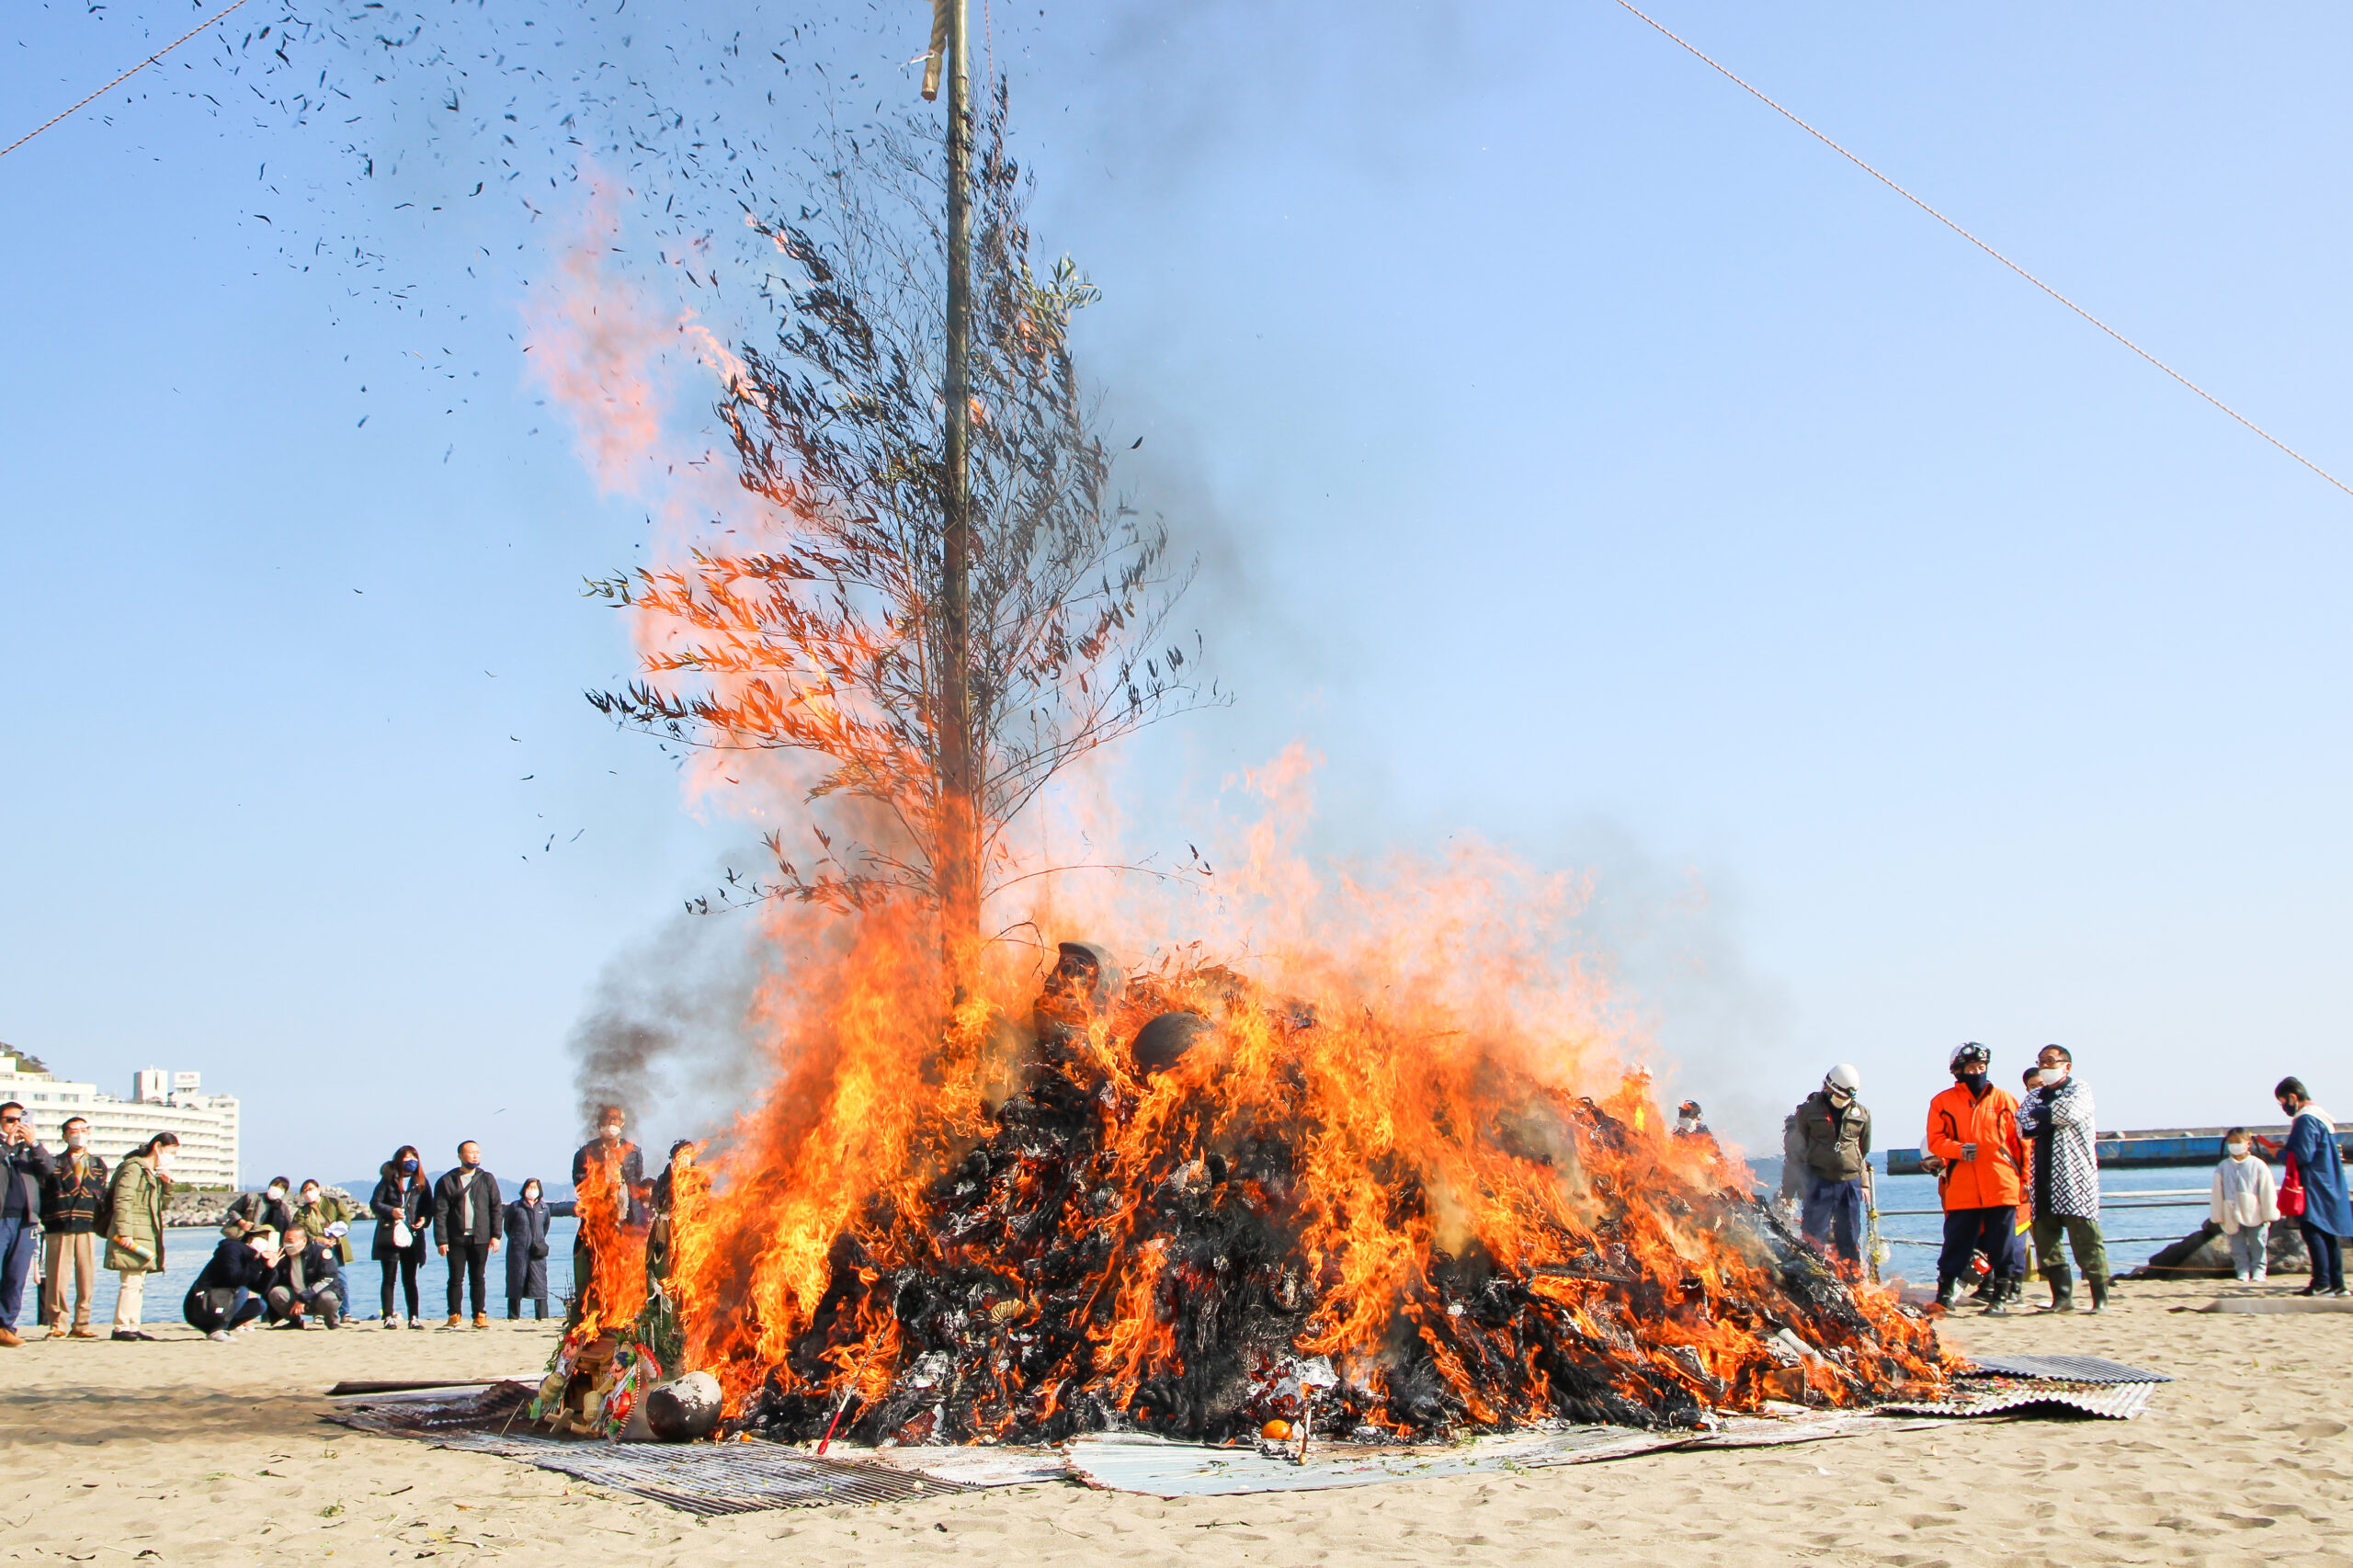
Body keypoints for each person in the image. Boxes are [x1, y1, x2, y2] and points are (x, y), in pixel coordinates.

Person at [1925, 1042, 2026, 1313]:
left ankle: (2000, 1297)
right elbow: (1935, 1140)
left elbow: (2021, 1144)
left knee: (2002, 1244)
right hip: (1963, 1186)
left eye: (1981, 1067)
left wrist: (2025, 1180)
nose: (1977, 1072)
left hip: (2002, 1184)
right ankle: (1945, 1294)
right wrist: (1958, 1150)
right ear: (1957, 1070)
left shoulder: (2005, 1100)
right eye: (1971, 1068)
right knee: (1956, 1242)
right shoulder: (1942, 1102)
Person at [2016, 1044, 2109, 1312]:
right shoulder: (2036, 1095)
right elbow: (2023, 1123)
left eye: (2051, 1061)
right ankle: (2062, 1296)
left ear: (2066, 1065)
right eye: (2042, 1062)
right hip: (2041, 1178)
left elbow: (2069, 1112)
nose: (2046, 1066)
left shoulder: (2080, 1088)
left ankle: (2099, 1295)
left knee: (2087, 1239)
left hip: (2075, 1179)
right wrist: (2045, 1115)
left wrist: (2045, 1115)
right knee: (2047, 1241)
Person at [2257, 1078, 2348, 1297]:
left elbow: (2303, 1155)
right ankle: (2337, 1284)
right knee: (2329, 1233)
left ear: (2292, 1097)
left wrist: (2278, 1153)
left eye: (2283, 1102)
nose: (2284, 1108)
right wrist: (2286, 1147)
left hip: (2314, 1184)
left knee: (2313, 1230)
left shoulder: (2306, 1120)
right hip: (2328, 1182)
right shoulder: (2321, 1118)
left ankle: (2321, 1282)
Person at [1780, 1066, 1870, 1267]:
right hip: (1819, 1180)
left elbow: (1861, 1151)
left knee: (1848, 1232)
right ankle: (1814, 1271)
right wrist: (1787, 1193)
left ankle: (1851, 1273)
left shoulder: (1861, 1114)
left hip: (1848, 1182)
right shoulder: (1807, 1114)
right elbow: (1795, 1156)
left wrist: (1863, 1183)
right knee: (1815, 1234)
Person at [571, 1107, 647, 1324]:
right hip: (597, 1222)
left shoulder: (632, 1151)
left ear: (622, 1123)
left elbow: (636, 1182)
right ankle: (593, 1314)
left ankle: (621, 1313)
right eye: (606, 1119)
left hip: (626, 1218)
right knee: (595, 1271)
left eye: (615, 1119)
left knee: (625, 1270)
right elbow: (579, 1184)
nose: (610, 1123)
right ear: (598, 1124)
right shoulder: (585, 1152)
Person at [37, 1115, 108, 1340]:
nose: (79, 1134)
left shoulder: (97, 1164)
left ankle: (82, 1323)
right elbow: (44, 1193)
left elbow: (100, 1193)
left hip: (87, 1225)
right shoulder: (54, 1163)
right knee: (57, 1275)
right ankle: (57, 1322)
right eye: (73, 1130)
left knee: (86, 1276)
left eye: (83, 1129)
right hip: (59, 1225)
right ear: (65, 1135)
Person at [104, 1131, 176, 1342]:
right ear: (158, 1147)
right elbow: (122, 1200)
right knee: (131, 1280)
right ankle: (121, 1326)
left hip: (145, 1231)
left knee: (138, 1281)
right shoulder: (134, 1168)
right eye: (170, 1152)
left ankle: (133, 1324)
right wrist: (124, 1231)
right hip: (134, 1231)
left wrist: (167, 1185)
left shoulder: (151, 1173)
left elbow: (159, 1206)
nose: (171, 1157)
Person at [433, 1140, 502, 1328]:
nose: (475, 1156)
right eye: (471, 1152)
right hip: (456, 1238)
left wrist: (496, 1235)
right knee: (456, 1278)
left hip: (480, 1237)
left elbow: (496, 1208)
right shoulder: (447, 1181)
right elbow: (440, 1212)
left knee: (478, 1277)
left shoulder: (487, 1179)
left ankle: (479, 1315)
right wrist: (441, 1239)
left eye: (478, 1152)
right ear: (460, 1155)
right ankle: (454, 1315)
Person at [0, 1101, 52, 1347]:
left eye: (19, 1120)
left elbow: (49, 1169)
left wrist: (33, 1144)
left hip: (25, 1221)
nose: (15, 1125)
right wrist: (7, 1146)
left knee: (15, 1276)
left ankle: (5, 1326)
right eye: (10, 1120)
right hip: (1, 1220)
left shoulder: (28, 1151)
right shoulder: (4, 1149)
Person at [369, 1145, 434, 1328]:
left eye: (414, 1157)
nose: (411, 1160)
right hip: (391, 1234)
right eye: (407, 1157)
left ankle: (414, 1317)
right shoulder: (388, 1181)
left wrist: (424, 1219)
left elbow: (429, 1205)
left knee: (410, 1279)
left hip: (413, 1235)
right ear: (399, 1159)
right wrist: (392, 1211)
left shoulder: (420, 1181)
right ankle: (388, 1316)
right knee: (389, 1278)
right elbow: (375, 1203)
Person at [2211, 1128, 2279, 1283]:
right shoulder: (2223, 1167)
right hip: (2231, 1212)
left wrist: (2268, 1213)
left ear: (2248, 1144)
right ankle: (2242, 1270)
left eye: (2238, 1142)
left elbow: (2267, 1190)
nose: (2234, 1146)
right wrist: (2218, 1215)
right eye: (2231, 1143)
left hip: (2255, 1212)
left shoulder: (2258, 1165)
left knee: (2258, 1243)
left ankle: (2259, 1271)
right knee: (2237, 1245)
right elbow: (2217, 1193)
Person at [183, 1228, 276, 1340]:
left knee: (259, 1305)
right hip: (199, 1305)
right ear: (251, 1238)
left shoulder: (252, 1259)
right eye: (263, 1237)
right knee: (242, 1290)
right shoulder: (232, 1249)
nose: (266, 1242)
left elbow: (260, 1288)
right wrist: (259, 1262)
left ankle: (219, 1329)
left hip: (219, 1306)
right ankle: (218, 1328)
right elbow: (233, 1278)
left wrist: (269, 1269)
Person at [293, 1178, 357, 1318]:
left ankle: (345, 1313)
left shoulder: (332, 1203)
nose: (308, 1193)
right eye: (305, 1191)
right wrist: (317, 1239)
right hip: (315, 1250)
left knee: (341, 1279)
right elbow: (300, 1230)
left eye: (310, 1189)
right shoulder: (302, 1212)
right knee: (317, 1280)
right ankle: (319, 1314)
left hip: (336, 1247)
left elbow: (345, 1219)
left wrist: (335, 1236)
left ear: (318, 1189)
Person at [265, 1222, 345, 1329]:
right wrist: (269, 1268)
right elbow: (272, 1282)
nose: (286, 1244)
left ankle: (332, 1322)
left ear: (303, 1241)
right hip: (296, 1298)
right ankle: (294, 1322)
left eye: (290, 1241)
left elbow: (328, 1278)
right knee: (276, 1293)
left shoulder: (320, 1252)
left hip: (318, 1296)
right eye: (285, 1240)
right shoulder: (283, 1256)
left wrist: (304, 1298)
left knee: (328, 1298)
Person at [503, 1178, 552, 1321]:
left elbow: (545, 1227)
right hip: (518, 1250)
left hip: (538, 1250)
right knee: (516, 1282)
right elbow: (508, 1227)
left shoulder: (544, 1208)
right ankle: (513, 1316)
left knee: (540, 1283)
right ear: (524, 1189)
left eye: (535, 1187)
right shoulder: (515, 1207)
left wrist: (538, 1240)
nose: (532, 1190)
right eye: (529, 1187)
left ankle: (542, 1317)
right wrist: (518, 1240)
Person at [223, 1177, 298, 1240]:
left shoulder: (283, 1208)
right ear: (269, 1186)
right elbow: (232, 1210)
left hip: (269, 1243)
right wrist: (242, 1222)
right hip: (246, 1238)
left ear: (284, 1192)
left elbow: (287, 1227)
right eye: (275, 1185)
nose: (277, 1189)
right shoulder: (252, 1197)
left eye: (281, 1188)